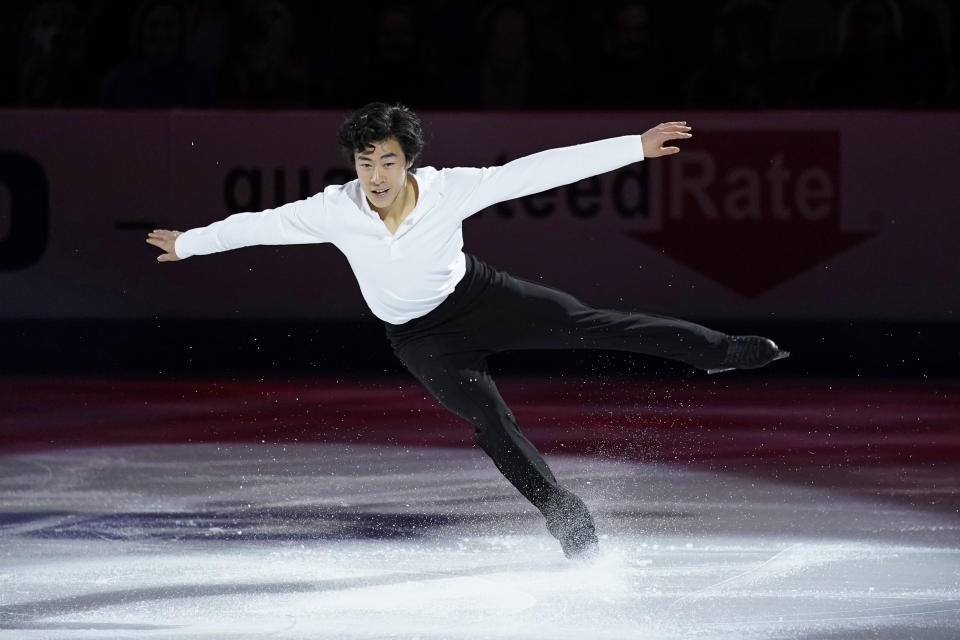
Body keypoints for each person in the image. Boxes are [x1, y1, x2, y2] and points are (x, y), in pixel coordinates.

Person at [146, 102, 788, 559]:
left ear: (409, 162)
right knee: (488, 420)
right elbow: (259, 223)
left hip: (481, 296)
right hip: (421, 340)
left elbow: (535, 171)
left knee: (588, 323)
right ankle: (565, 516)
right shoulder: (333, 209)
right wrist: (191, 244)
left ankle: (718, 352)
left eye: (388, 161)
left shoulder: (450, 190)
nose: (375, 175)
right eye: (365, 161)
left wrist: (631, 148)